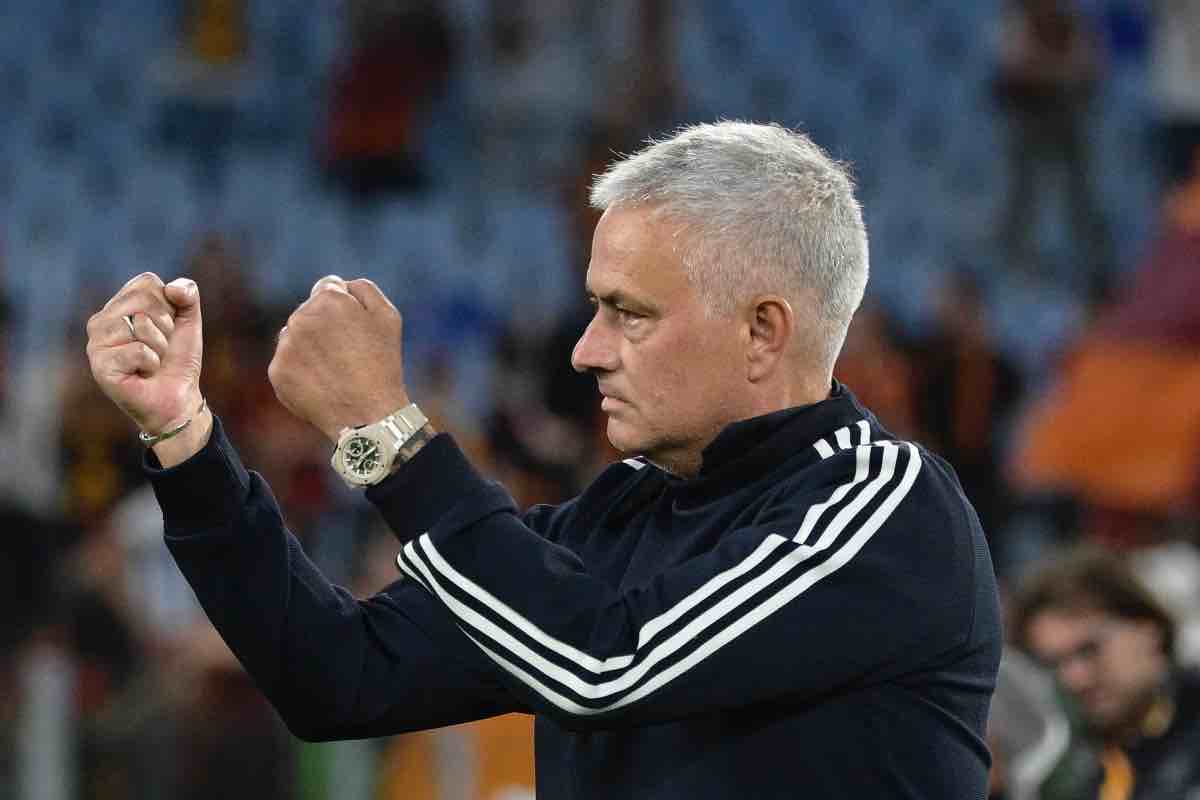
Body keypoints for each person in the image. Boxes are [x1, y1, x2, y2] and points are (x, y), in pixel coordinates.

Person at [84, 122, 1002, 798]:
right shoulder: (623, 512)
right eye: (595, 308)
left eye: (629, 313)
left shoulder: (884, 507)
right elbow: (337, 676)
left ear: (763, 331)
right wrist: (184, 439)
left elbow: (607, 663)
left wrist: (387, 430)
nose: (586, 350)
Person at [1012, 547, 1200, 799]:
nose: (1074, 679)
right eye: (1054, 664)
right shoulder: (1057, 774)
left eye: (1089, 650)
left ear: (1149, 630)